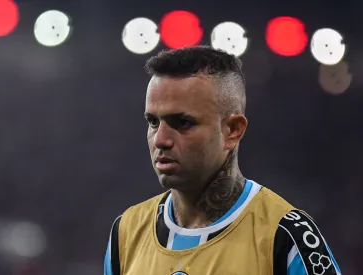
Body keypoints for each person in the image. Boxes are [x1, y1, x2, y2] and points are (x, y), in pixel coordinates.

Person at [104, 46, 342, 275]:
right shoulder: (125, 232)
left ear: (233, 130)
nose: (160, 139)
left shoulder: (287, 237)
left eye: (183, 123)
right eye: (153, 122)